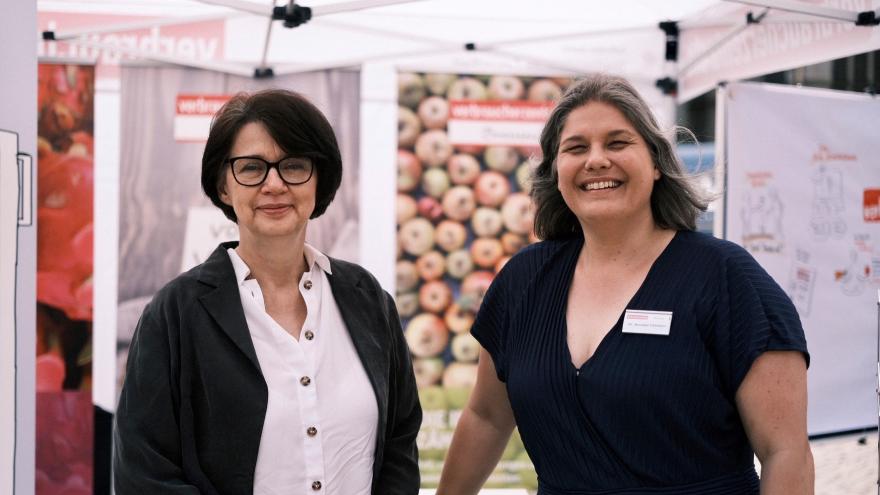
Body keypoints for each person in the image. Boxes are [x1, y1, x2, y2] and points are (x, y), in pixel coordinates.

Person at [436, 74, 812, 494]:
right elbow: (486, 416)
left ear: (655, 163)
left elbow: (786, 451)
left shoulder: (725, 279)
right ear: (556, 171)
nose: (596, 160)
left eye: (617, 143)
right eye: (576, 148)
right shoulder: (523, 282)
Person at [114, 89, 421, 494]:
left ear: (318, 179)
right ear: (224, 186)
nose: (274, 184)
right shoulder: (176, 313)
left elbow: (399, 444)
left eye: (293, 166)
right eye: (252, 168)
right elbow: (144, 471)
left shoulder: (368, 300)